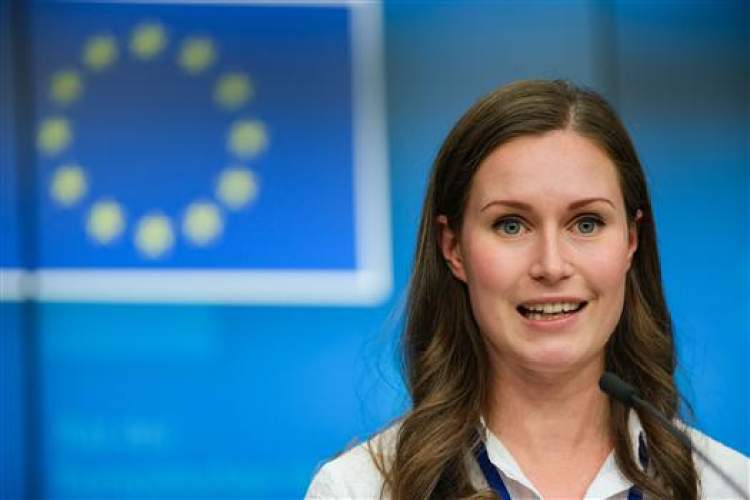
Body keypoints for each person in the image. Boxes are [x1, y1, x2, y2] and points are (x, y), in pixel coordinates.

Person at [306, 80, 749, 499]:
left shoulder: (727, 485)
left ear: (631, 241)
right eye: (511, 225)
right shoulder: (359, 489)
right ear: (453, 247)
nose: (551, 266)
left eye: (586, 223)